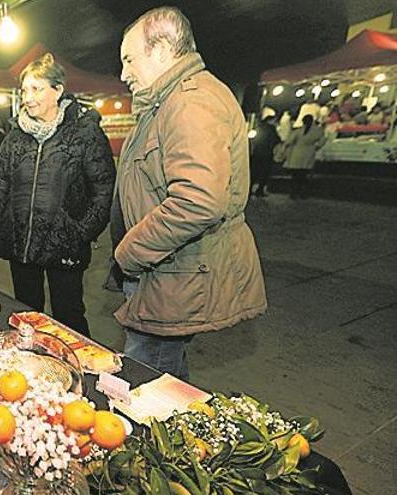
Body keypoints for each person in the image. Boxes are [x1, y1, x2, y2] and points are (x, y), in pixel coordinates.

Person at [113, 7, 267, 379]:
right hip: (165, 270)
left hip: (174, 274)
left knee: (148, 388)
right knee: (165, 377)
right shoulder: (166, 102)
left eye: (129, 59)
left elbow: (197, 200)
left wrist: (129, 252)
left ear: (162, 49)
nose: (123, 73)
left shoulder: (190, 102)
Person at [0, 53, 116, 337]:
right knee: (26, 316)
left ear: (57, 90)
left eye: (36, 88)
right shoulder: (15, 137)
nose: (27, 98)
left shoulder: (84, 134)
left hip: (64, 244)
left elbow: (104, 189)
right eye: (24, 90)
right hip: (21, 242)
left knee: (68, 317)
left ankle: (79, 373)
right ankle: (34, 375)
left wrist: (81, 231)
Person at [283, 114, 325, 199]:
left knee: (295, 176)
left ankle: (294, 193)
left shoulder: (298, 131)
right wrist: (316, 146)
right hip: (308, 153)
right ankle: (302, 193)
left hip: (297, 153)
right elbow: (322, 140)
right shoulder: (318, 130)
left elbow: (289, 141)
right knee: (304, 176)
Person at [249, 114, 281, 198]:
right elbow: (277, 140)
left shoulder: (258, 128)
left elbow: (252, 139)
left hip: (257, 153)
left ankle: (249, 189)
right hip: (267, 154)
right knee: (264, 173)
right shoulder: (272, 129)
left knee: (254, 172)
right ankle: (260, 191)